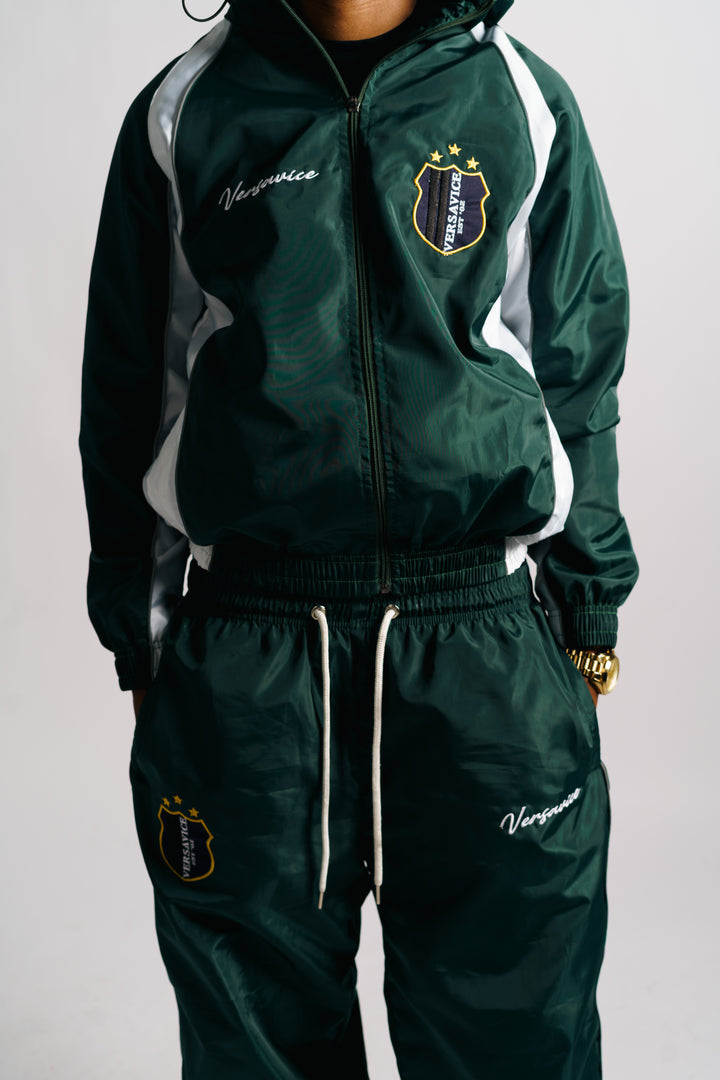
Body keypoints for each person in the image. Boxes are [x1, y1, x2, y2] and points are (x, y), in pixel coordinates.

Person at [79, 0, 639, 1076]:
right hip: (253, 664)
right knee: (257, 1052)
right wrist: (143, 637)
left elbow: (576, 372)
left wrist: (587, 607)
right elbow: (132, 387)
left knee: (514, 1047)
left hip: (481, 654)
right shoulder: (185, 113)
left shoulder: (520, 99)